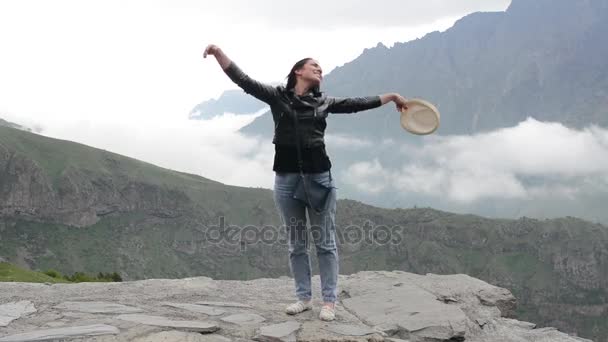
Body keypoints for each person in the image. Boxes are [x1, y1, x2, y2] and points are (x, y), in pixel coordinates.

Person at [203, 44, 407, 321]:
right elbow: (244, 81)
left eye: (320, 68)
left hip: (319, 180)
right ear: (298, 71)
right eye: (314, 66)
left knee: (324, 242)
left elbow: (357, 104)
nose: (319, 70)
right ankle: (303, 298)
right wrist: (217, 53)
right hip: (286, 181)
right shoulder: (277, 97)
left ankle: (329, 301)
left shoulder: (324, 102)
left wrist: (392, 96)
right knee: (296, 244)